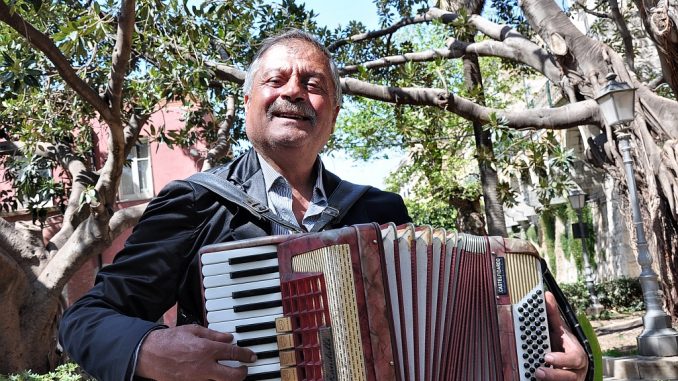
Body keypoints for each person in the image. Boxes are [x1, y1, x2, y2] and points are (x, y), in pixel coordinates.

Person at [59, 29, 588, 381]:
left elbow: (449, 339)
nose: (294, 90)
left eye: (314, 85)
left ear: (332, 113)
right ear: (247, 104)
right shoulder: (196, 204)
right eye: (276, 80)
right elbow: (85, 318)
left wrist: (567, 364)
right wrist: (148, 349)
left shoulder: (379, 211)